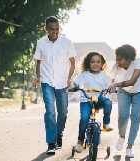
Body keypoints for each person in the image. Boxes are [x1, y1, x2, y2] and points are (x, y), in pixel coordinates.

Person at [33, 16, 76, 155]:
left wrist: (69, 78)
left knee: (63, 112)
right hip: (47, 82)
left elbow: (73, 62)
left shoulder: (66, 42)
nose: (55, 32)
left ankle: (59, 135)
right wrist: (38, 77)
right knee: (50, 111)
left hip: (62, 82)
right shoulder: (41, 43)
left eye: (57, 29)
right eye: (52, 29)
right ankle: (51, 143)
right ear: (46, 29)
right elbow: (38, 62)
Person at [108, 44, 140, 158]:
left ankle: (130, 147)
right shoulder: (116, 66)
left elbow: (132, 81)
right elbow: (109, 80)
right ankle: (121, 137)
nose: (117, 61)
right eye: (116, 58)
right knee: (123, 116)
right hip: (124, 92)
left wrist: (115, 84)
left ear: (129, 58)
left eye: (120, 59)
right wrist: (106, 89)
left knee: (135, 118)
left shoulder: (138, 62)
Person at [72, 51, 113, 153]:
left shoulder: (103, 75)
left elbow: (109, 86)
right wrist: (72, 87)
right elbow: (75, 83)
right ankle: (80, 142)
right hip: (86, 100)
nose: (95, 64)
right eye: (92, 62)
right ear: (88, 63)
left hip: (99, 99)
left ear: (102, 64)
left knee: (108, 102)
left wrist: (110, 89)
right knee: (84, 119)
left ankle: (106, 124)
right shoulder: (84, 74)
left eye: (98, 62)